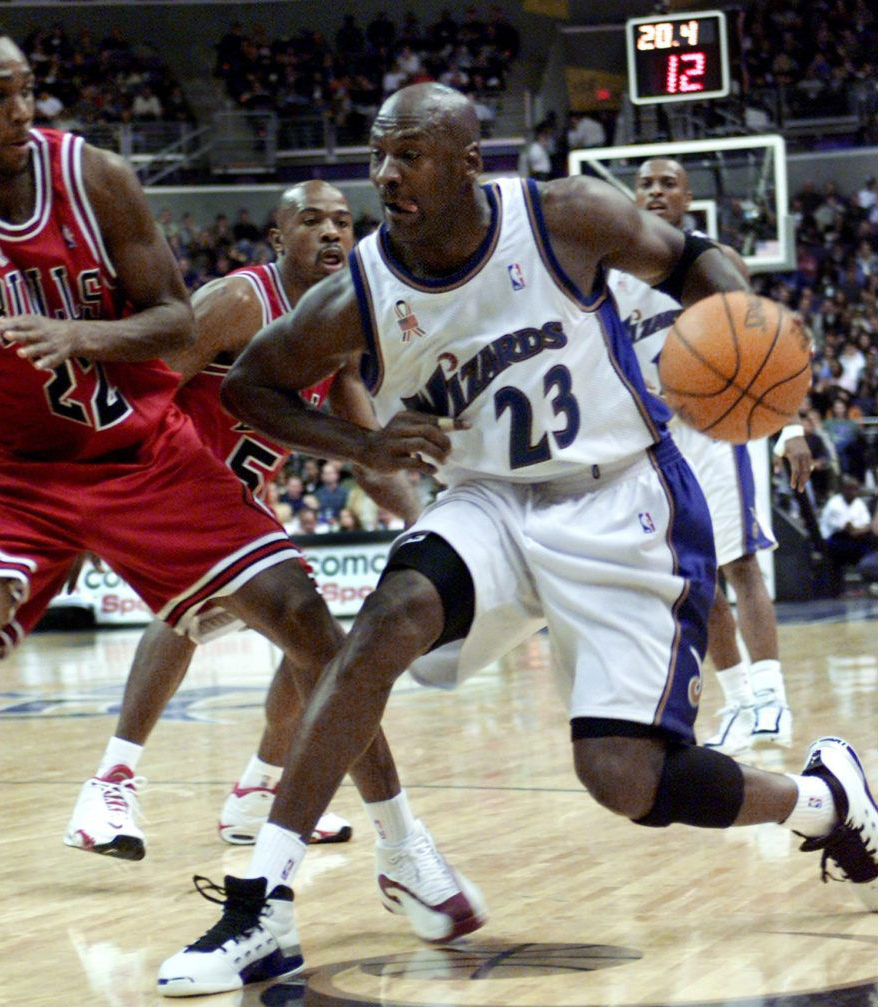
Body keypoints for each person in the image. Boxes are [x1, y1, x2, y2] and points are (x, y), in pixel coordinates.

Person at [157, 83, 878, 996]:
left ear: (468, 164)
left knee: (623, 778)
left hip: (621, 500)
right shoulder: (360, 293)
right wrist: (360, 442)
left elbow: (698, 260)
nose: (386, 174)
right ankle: (260, 898)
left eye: (408, 155)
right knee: (384, 621)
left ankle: (821, 799)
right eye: (378, 154)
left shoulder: (565, 217)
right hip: (488, 499)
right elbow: (249, 385)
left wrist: (753, 343)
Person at [0, 19, 456, 972]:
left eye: (26, 89)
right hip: (5, 464)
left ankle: (402, 843)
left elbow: (171, 313)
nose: (23, 110)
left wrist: (82, 337)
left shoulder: (93, 178)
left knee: (309, 623)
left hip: (139, 453)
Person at [65, 179, 425, 855]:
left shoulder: (337, 327)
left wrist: (426, 521)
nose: (330, 232)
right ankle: (108, 785)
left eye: (342, 221)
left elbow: (369, 456)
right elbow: (144, 391)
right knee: (207, 609)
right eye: (311, 219)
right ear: (277, 238)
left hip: (241, 503)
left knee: (306, 639)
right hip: (172, 485)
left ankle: (259, 791)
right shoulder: (238, 299)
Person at [608, 158, 812, 756]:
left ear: (688, 197)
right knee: (696, 581)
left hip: (723, 429)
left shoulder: (714, 261)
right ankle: (739, 701)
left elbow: (769, 344)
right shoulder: (612, 277)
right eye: (644, 182)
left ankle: (773, 697)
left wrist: (791, 427)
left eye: (667, 182)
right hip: (663, 439)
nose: (654, 191)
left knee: (740, 563)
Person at [820, 475, 878, 588]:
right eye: (850, 488)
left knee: (867, 549)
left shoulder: (859, 503)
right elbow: (848, 529)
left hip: (853, 540)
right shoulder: (834, 504)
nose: (854, 492)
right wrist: (860, 529)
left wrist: (859, 529)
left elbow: (868, 526)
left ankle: (866, 586)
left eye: (856, 489)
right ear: (843, 489)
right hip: (832, 540)